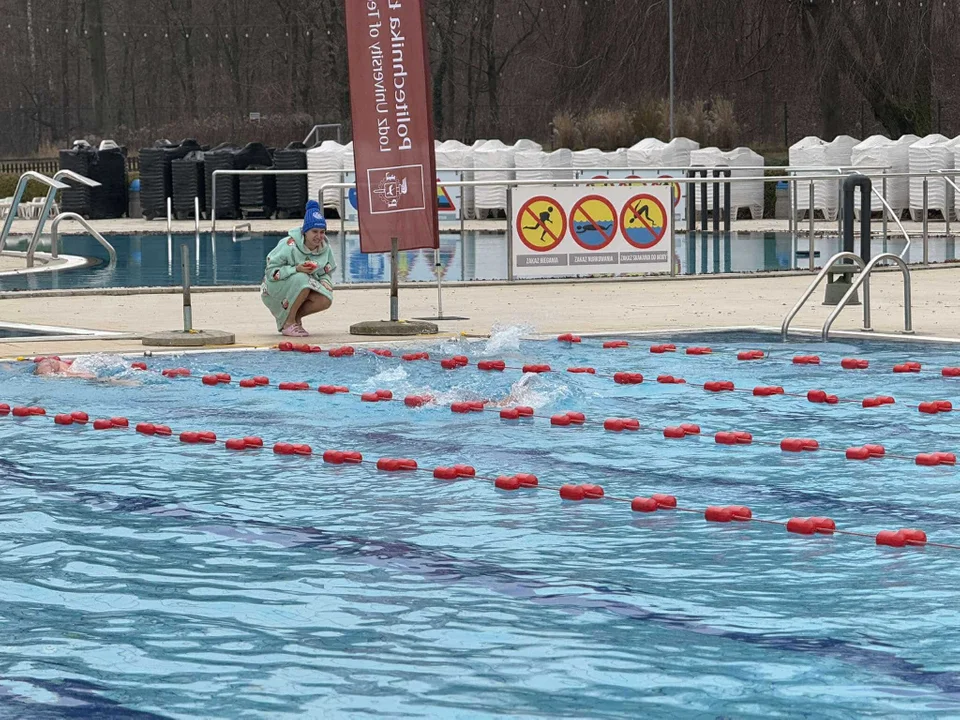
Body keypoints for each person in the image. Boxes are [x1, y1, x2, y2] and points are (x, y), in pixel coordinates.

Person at [261, 200, 337, 337]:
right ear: (305, 231)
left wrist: (326, 282)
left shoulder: (325, 249)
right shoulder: (289, 245)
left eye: (322, 232)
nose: (319, 236)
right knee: (303, 279)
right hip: (275, 286)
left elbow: (325, 272)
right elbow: (270, 271)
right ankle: (288, 323)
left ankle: (293, 318)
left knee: (325, 299)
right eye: (314, 231)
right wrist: (296, 269)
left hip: (303, 286)